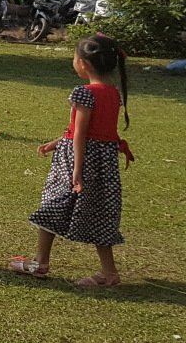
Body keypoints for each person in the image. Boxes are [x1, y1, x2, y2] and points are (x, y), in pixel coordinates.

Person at [11, 32, 133, 287]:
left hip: (78, 163)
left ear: (83, 64)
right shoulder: (112, 93)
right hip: (103, 164)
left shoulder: (84, 93)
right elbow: (98, 131)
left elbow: (81, 134)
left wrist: (77, 171)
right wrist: (57, 142)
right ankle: (109, 273)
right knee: (101, 213)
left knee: (53, 204)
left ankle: (40, 262)